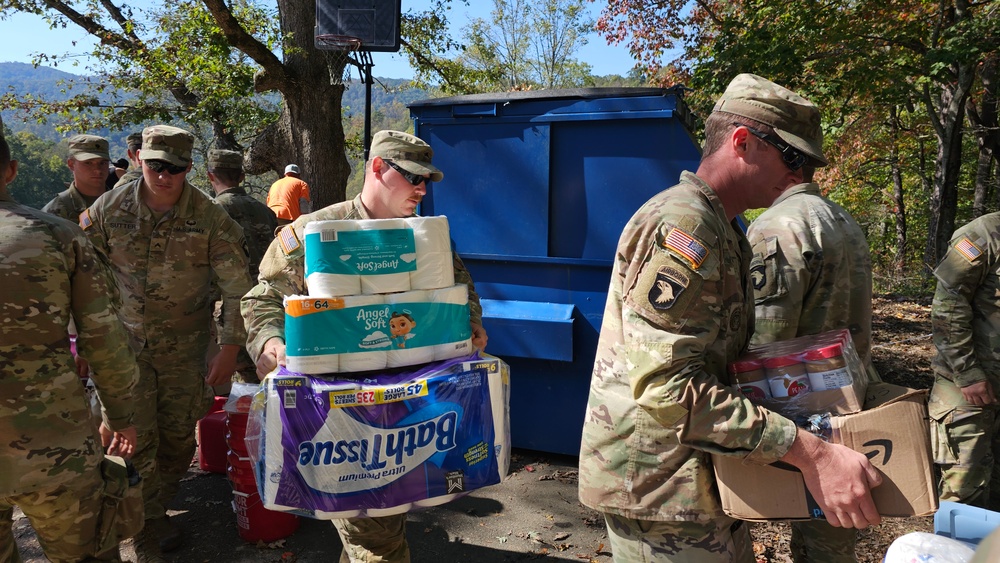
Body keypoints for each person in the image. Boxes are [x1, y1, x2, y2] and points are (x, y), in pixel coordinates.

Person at [578, 74, 883, 562]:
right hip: (661, 490)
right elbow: (666, 389)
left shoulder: (724, 227)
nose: (800, 175)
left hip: (694, 481)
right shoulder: (686, 226)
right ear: (742, 141)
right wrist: (812, 453)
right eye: (793, 157)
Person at [242, 130, 488, 562]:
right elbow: (263, 298)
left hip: (413, 406)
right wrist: (269, 341)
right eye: (412, 177)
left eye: (427, 180)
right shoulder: (317, 232)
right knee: (376, 539)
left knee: (381, 523)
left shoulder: (424, 237)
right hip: (344, 411)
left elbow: (460, 291)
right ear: (377, 168)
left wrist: (471, 324)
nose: (421, 189)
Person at [81, 125, 253, 562]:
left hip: (185, 347)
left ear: (189, 169)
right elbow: (83, 277)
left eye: (174, 168)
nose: (164, 176)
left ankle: (154, 510)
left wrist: (230, 348)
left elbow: (238, 288)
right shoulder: (108, 209)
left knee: (179, 438)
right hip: (124, 348)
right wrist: (85, 341)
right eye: (156, 165)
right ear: (140, 160)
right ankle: (142, 530)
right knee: (135, 438)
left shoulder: (210, 218)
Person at [1, 132, 139, 562]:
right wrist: (121, 417)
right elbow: (104, 339)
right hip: (54, 446)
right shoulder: (56, 235)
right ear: (11, 170)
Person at [747, 167, 878, 562]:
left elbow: (762, 343)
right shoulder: (842, 218)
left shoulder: (777, 226)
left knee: (822, 528)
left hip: (798, 405)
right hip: (847, 400)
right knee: (831, 532)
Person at [928, 211, 1000, 512]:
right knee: (964, 493)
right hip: (970, 391)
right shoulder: (982, 235)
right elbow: (947, 308)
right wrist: (967, 371)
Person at [206, 148, 277, 383]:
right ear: (242, 176)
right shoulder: (265, 211)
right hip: (265, 304)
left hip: (230, 306)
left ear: (210, 176)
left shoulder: (211, 212)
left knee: (239, 383)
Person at [42, 134, 111, 221]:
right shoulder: (55, 212)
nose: (97, 170)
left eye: (103, 163)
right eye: (88, 163)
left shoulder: (123, 202)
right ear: (71, 164)